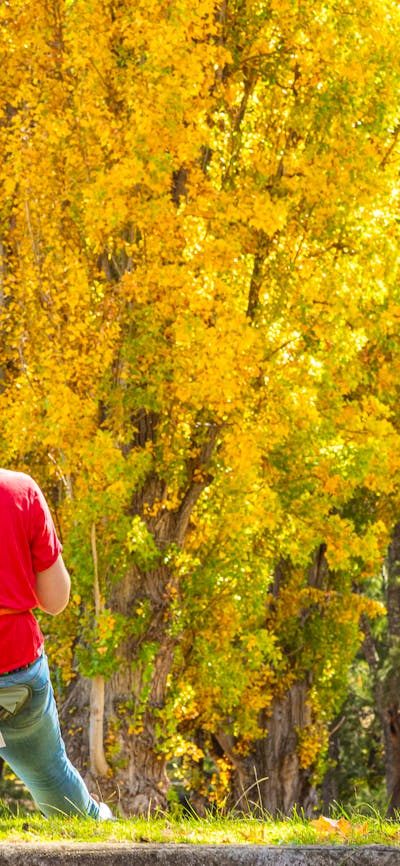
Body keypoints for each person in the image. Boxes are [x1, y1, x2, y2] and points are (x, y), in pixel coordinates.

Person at [0, 467, 113, 819]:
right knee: (51, 777)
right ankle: (97, 830)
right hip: (13, 672)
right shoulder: (20, 490)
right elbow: (56, 599)